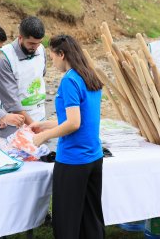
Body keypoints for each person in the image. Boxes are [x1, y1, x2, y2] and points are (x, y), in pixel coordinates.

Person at [30, 34, 104, 239]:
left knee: (67, 221)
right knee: (91, 217)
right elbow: (81, 119)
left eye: (52, 56)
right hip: (94, 158)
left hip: (73, 160)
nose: (52, 62)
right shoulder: (89, 75)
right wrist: (44, 124)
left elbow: (73, 123)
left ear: (62, 54)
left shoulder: (70, 80)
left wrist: (43, 136)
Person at [0, 16, 46, 138]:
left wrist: (38, 125)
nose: (35, 47)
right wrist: (33, 126)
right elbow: (11, 101)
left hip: (39, 117)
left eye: (38, 43)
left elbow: (41, 75)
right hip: (14, 124)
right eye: (31, 43)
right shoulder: (4, 58)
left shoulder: (41, 50)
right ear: (20, 38)